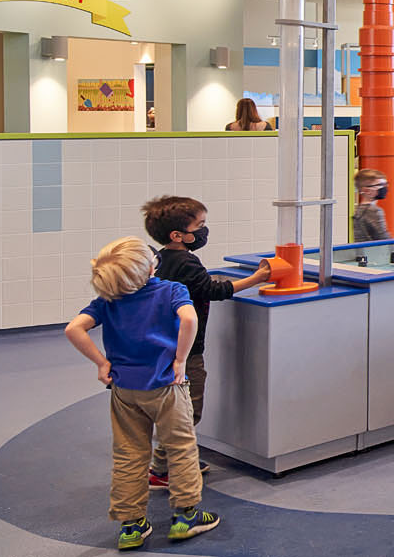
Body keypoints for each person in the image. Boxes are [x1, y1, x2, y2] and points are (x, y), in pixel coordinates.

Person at [64, 237, 222, 549]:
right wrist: (179, 360)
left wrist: (101, 363)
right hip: (166, 386)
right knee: (181, 447)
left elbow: (73, 329)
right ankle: (186, 515)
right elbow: (189, 319)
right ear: (150, 267)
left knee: (129, 454)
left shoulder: (108, 299)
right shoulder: (171, 290)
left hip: (124, 389)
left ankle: (131, 524)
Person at [140, 197, 270, 490]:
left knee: (175, 405)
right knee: (188, 408)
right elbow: (214, 289)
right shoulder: (187, 261)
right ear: (178, 235)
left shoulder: (162, 259)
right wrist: (257, 278)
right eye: (198, 226)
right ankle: (163, 466)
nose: (203, 231)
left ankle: (170, 458)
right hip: (187, 351)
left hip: (164, 345)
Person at [352, 169, 390, 242]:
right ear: (366, 190)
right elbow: (384, 238)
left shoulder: (359, 209)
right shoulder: (374, 211)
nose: (384, 188)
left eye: (385, 184)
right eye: (380, 185)